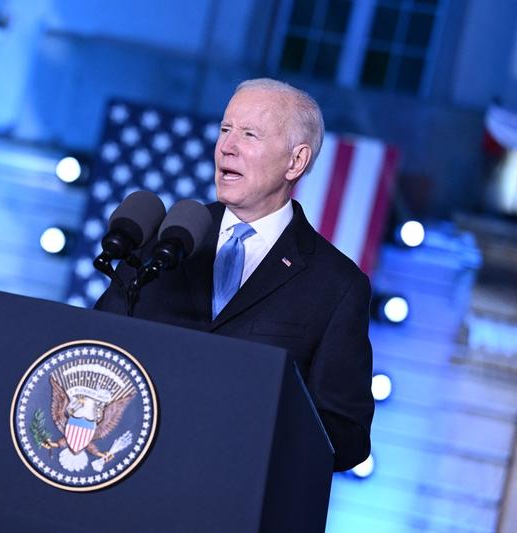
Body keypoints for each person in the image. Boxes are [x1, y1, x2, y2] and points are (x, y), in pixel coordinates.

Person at [95, 78, 374, 472]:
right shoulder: (160, 240)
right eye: (225, 129)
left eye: (249, 134)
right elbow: (96, 349)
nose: (227, 146)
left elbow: (346, 436)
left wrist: (246, 423)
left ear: (296, 161)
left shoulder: (336, 285)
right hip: (127, 474)